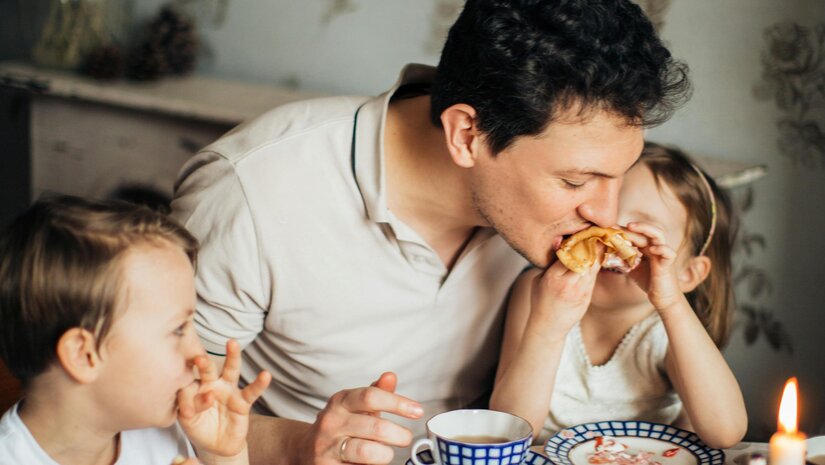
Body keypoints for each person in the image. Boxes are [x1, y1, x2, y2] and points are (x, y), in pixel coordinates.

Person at [170, 1, 691, 464]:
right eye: (576, 180)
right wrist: (301, 445)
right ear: (467, 134)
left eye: (619, 176)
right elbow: (162, 414)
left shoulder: (553, 223)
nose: (606, 212)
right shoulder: (251, 191)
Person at [489, 143, 748, 449]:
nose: (611, 239)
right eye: (603, 221)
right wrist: (547, 327)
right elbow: (508, 432)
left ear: (687, 274)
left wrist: (671, 302)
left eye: (641, 232)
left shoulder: (666, 329)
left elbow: (726, 432)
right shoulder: (540, 292)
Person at [0, 195, 272, 465]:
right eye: (178, 330)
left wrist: (223, 454)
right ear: (84, 355)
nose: (199, 355)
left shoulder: (166, 426)